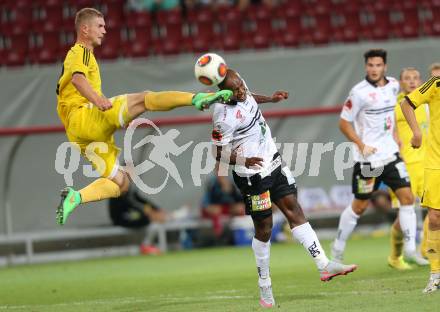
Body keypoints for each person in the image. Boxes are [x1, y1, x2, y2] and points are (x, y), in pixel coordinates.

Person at [55, 8, 232, 225]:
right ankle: (195, 98)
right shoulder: (80, 51)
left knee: (121, 184)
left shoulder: (84, 56)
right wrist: (98, 99)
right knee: (145, 99)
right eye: (100, 26)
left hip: (78, 134)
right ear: (84, 28)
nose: (105, 30)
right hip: (84, 117)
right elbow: (78, 80)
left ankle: (76, 197)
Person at [211, 68, 357, 308]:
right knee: (265, 228)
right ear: (224, 93)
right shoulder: (222, 117)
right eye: (236, 90)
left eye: (241, 85)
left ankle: (324, 265)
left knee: (295, 211)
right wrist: (244, 161)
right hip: (252, 175)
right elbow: (218, 152)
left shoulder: (239, 85)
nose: (242, 90)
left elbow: (248, 98)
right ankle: (264, 284)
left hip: (273, 162)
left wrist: (270, 98)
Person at [330, 49, 424, 265]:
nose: (374, 69)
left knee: (407, 198)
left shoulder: (392, 85)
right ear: (366, 67)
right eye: (370, 65)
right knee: (359, 207)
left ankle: (410, 250)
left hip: (390, 155)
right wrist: (361, 144)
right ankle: (337, 249)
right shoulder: (358, 92)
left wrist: (396, 136)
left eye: (378, 65)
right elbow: (343, 123)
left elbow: (394, 112)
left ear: (385, 67)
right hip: (368, 161)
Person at [387, 67, 429, 269]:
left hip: (429, 163)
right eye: (407, 78)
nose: (412, 81)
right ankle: (396, 256)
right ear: (401, 82)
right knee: (404, 212)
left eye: (415, 77)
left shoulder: (428, 101)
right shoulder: (393, 105)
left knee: (435, 209)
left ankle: (423, 251)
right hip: (404, 164)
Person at [401, 76, 440, 293]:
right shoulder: (436, 83)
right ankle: (435, 274)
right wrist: (417, 132)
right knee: (435, 217)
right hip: (436, 163)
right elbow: (406, 103)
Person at [201, 171, 245, 240]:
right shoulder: (212, 183)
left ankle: (241, 234)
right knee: (216, 210)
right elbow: (206, 201)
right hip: (216, 209)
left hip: (228, 208)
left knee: (240, 209)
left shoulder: (232, 182)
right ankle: (218, 236)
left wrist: (230, 190)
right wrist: (208, 207)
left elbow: (239, 199)